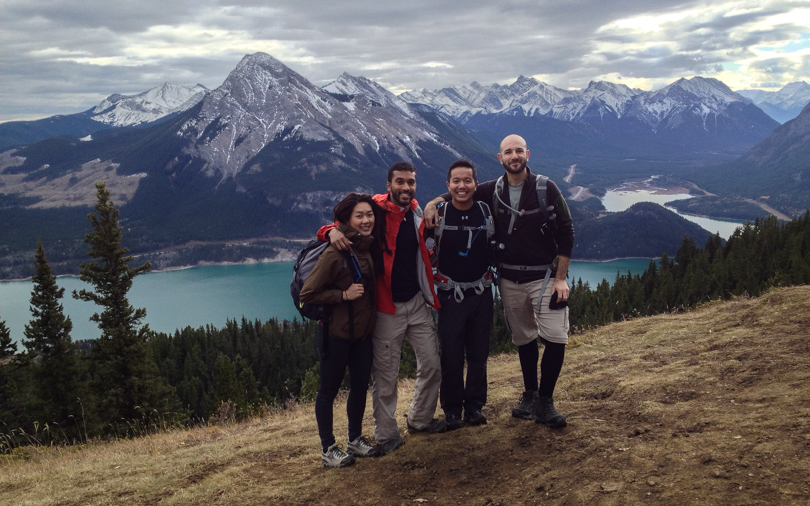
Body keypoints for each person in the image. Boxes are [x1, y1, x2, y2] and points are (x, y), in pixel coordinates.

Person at [425, 134, 575, 428]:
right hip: (509, 278)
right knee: (524, 338)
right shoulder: (492, 189)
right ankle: (530, 396)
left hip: (544, 276)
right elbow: (459, 192)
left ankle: (545, 401)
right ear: (500, 158)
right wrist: (432, 203)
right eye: (508, 152)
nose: (514, 156)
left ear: (527, 154)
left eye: (519, 151)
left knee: (556, 337)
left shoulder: (546, 188)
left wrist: (561, 278)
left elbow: (566, 231)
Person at [318, 161, 446, 456]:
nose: (406, 187)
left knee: (431, 364)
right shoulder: (374, 210)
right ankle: (386, 435)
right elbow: (341, 223)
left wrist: (434, 202)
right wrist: (329, 232)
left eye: (411, 182)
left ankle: (420, 419)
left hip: (416, 302)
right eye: (400, 181)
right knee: (386, 377)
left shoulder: (416, 212)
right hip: (386, 308)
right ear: (389, 185)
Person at [300, 193, 385, 468]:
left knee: (359, 387)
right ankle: (328, 449)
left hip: (361, 334)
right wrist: (343, 295)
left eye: (369, 215)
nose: (366, 220)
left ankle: (355, 439)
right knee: (327, 392)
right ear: (347, 220)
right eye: (359, 216)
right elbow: (307, 294)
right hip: (335, 335)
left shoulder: (364, 246)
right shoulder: (335, 253)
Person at [429, 159, 495, 430]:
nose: (462, 186)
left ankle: (475, 407)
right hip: (450, 297)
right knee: (451, 356)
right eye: (456, 181)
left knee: (479, 354)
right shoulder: (438, 215)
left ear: (476, 184)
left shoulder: (485, 211)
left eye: (467, 180)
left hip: (481, 293)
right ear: (448, 185)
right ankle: (453, 410)